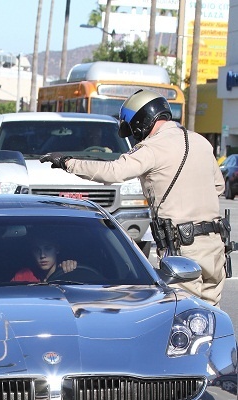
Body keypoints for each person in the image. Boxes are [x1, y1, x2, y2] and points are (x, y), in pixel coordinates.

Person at [40, 89, 227, 307]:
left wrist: (67, 163)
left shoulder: (152, 148)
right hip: (215, 245)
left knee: (185, 313)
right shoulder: (201, 142)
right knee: (213, 315)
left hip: (183, 249)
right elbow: (218, 186)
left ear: (141, 121)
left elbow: (113, 172)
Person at [12, 237, 77, 282]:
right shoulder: (23, 276)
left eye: (48, 248)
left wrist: (71, 268)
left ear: (57, 249)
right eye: (37, 250)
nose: (42, 255)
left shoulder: (68, 273)